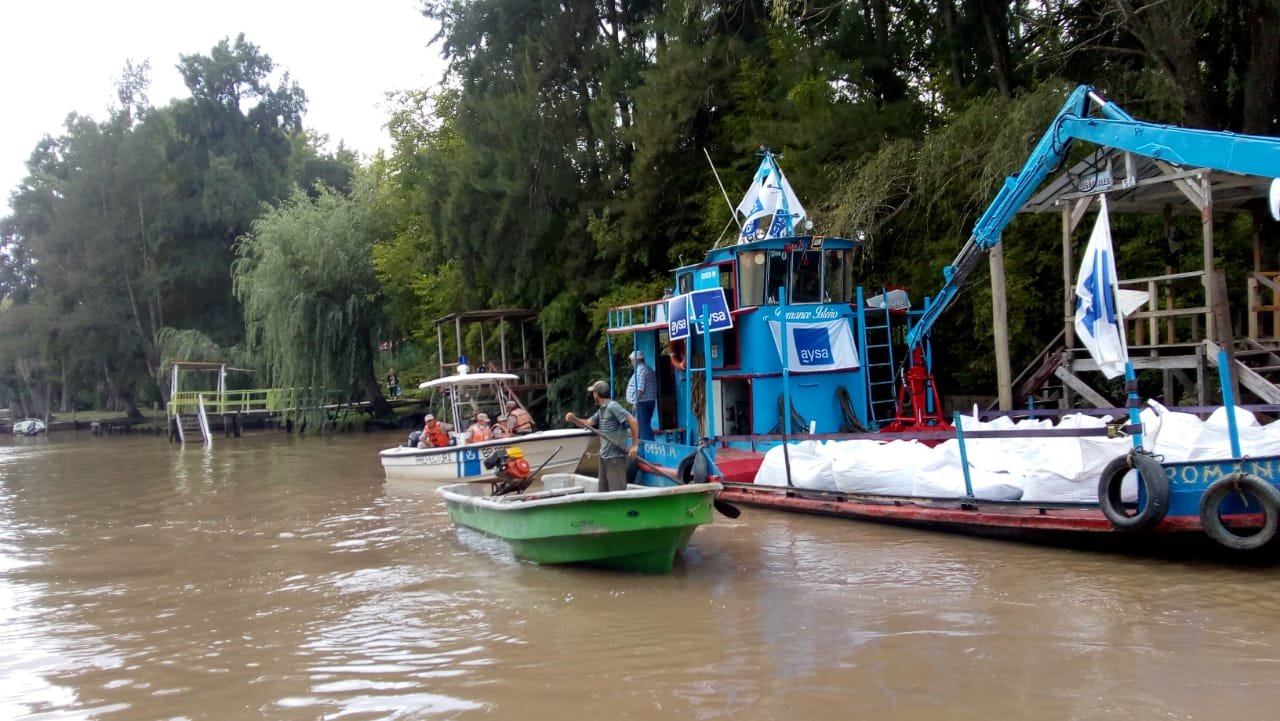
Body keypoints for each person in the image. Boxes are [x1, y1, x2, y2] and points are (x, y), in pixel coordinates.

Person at [566, 380, 639, 492]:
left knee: (617, 491)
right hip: (604, 456)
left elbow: (633, 421)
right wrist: (574, 419)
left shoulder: (612, 406)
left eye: (593, 393)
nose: (592, 395)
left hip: (615, 456)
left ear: (596, 394)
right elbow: (588, 423)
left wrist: (634, 446)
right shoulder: (602, 410)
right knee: (603, 491)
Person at [625, 350, 657, 441]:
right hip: (650, 400)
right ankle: (648, 443)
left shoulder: (640, 370)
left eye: (631, 360)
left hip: (642, 402)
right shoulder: (648, 369)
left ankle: (647, 446)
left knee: (643, 426)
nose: (631, 362)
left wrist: (635, 402)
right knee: (645, 424)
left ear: (637, 360)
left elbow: (640, 389)